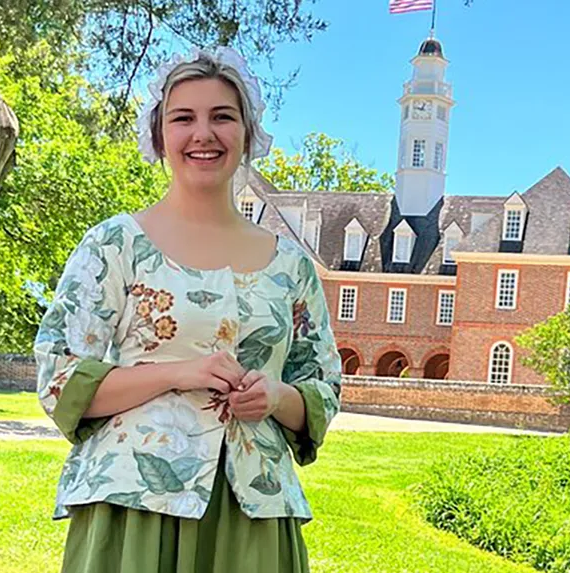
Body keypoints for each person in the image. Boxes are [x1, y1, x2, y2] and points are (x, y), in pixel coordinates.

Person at [33, 46, 342, 573]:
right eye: (184, 118)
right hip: (133, 507)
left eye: (222, 116)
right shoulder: (115, 244)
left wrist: (275, 396)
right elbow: (60, 379)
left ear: (247, 134)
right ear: (159, 135)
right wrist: (180, 373)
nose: (203, 133)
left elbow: (322, 386)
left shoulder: (289, 264)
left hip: (254, 511)